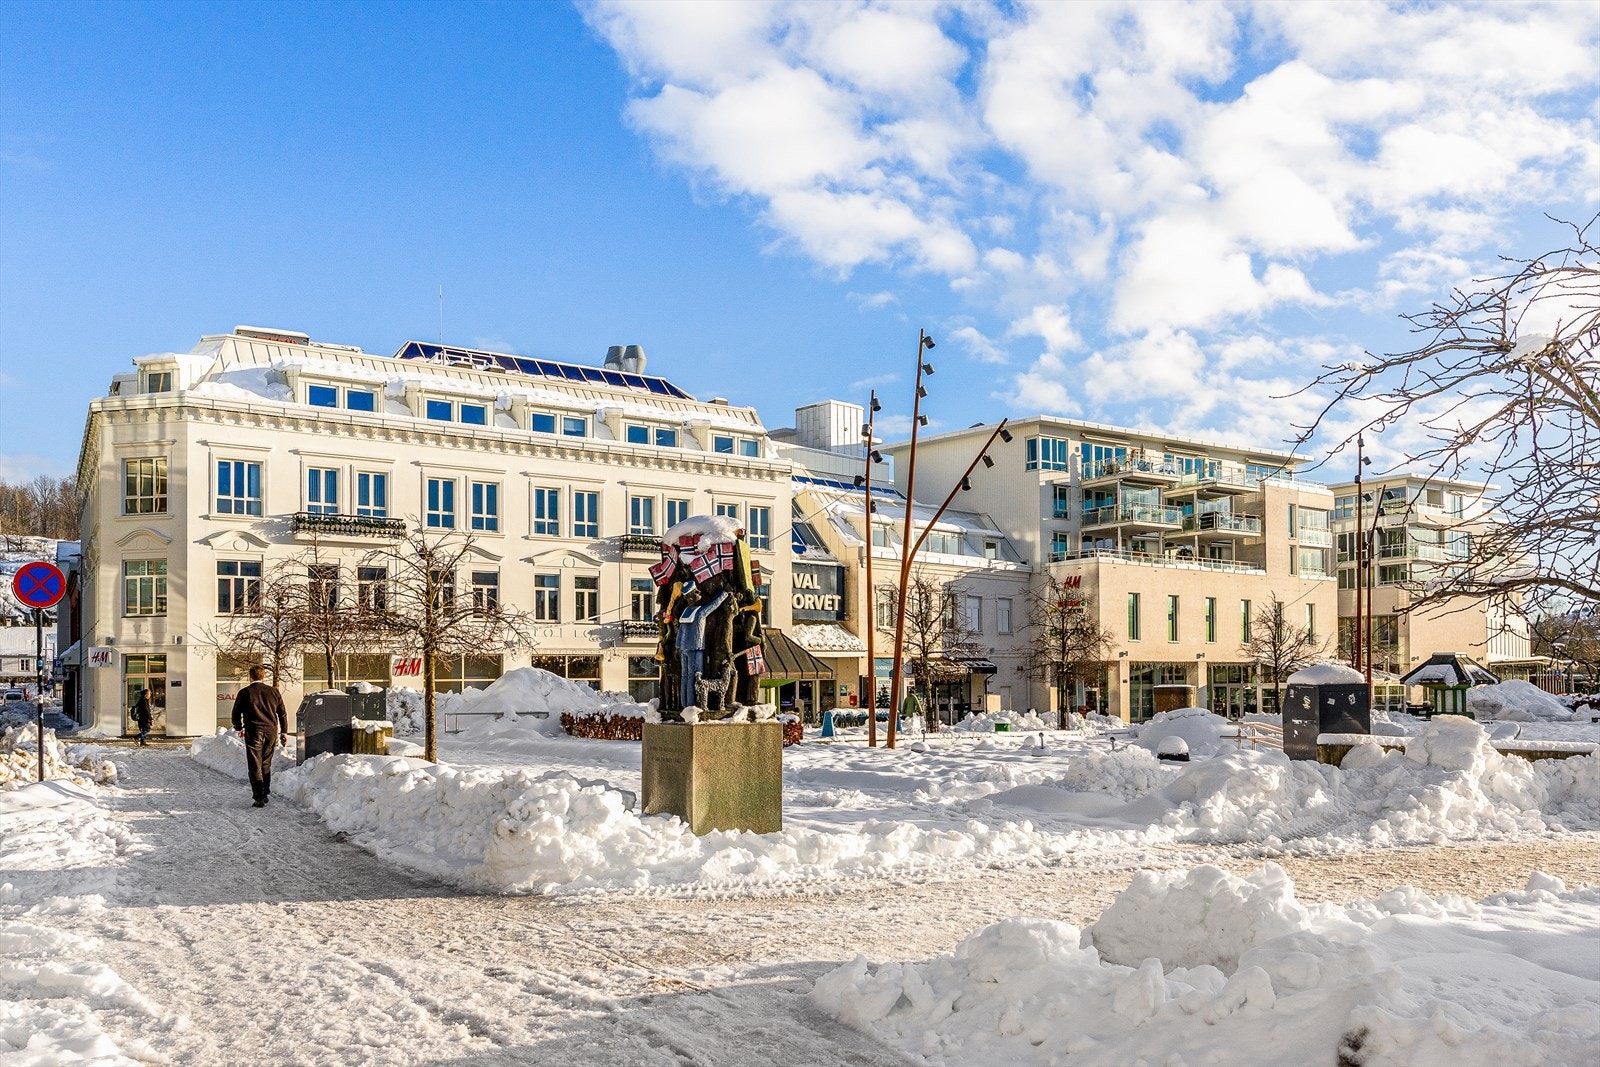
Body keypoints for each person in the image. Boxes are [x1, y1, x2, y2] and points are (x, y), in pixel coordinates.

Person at [230, 665, 288, 808]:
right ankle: (265, 792)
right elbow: (282, 713)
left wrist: (238, 727)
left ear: (250, 677)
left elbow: (236, 712)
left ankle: (258, 796)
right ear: (263, 676)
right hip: (271, 731)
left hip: (254, 730)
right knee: (266, 762)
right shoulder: (273, 691)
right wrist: (284, 732)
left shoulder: (245, 692)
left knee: (255, 763)